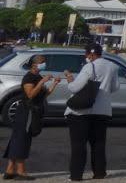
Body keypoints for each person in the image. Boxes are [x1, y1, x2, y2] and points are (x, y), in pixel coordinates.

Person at [64, 43, 119, 182]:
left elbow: (75, 88)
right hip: (103, 111)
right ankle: (99, 173)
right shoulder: (112, 66)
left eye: (86, 54)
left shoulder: (89, 66)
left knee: (79, 145)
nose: (85, 56)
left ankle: (76, 175)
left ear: (91, 54)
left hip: (81, 112)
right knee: (99, 144)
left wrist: (70, 79)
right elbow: (115, 87)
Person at [4, 54, 60, 180]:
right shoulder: (29, 77)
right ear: (34, 64)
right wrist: (41, 82)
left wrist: (54, 84)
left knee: (18, 139)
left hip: (33, 111)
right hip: (25, 111)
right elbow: (30, 94)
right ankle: (21, 171)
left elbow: (43, 95)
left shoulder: (37, 76)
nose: (44, 63)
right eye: (42, 61)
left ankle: (9, 170)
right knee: (22, 140)